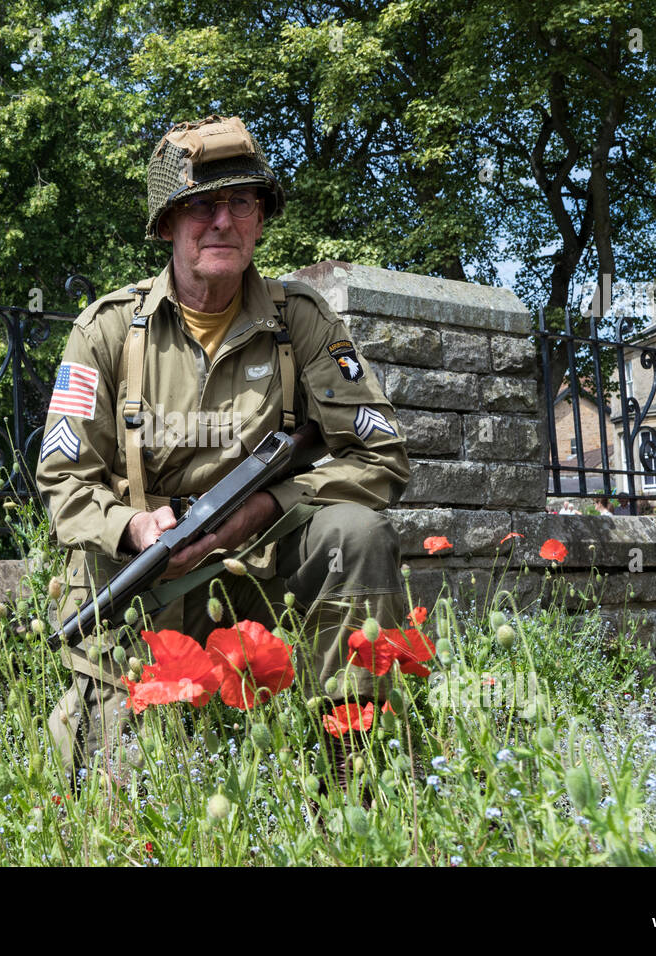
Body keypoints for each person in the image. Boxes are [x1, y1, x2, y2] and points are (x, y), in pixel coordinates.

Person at [35, 115, 411, 778]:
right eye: (201, 206)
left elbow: (382, 459)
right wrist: (132, 527)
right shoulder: (107, 331)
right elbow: (64, 481)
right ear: (167, 225)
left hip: (263, 578)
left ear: (262, 219)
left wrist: (271, 503)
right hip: (146, 580)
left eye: (241, 202)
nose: (222, 221)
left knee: (356, 533)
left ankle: (358, 779)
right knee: (108, 795)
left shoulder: (302, 321)